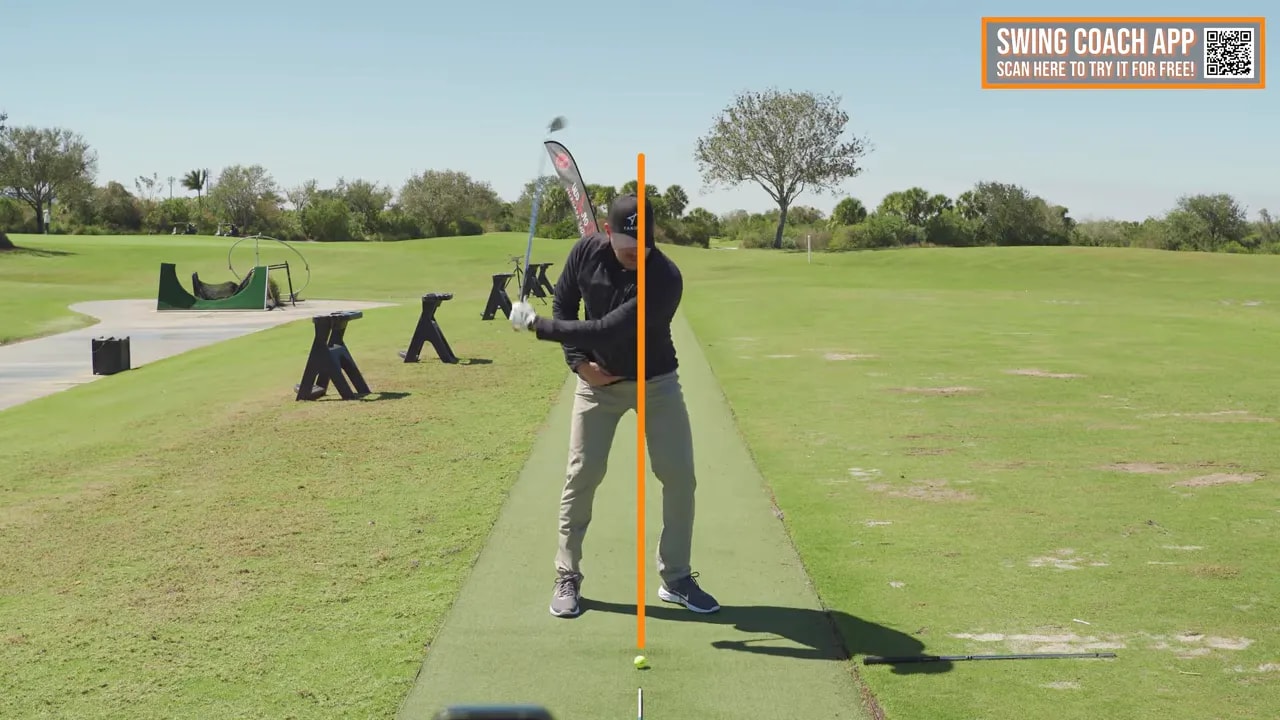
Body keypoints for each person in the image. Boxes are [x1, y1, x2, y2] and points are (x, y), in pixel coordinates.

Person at [509, 193, 720, 619]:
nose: (633, 258)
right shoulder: (586, 252)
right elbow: (565, 304)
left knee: (679, 475)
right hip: (596, 385)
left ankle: (676, 578)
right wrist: (577, 362)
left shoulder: (665, 278)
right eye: (626, 250)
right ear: (608, 233)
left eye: (641, 251)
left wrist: (535, 325)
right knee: (582, 475)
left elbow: (608, 330)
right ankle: (567, 575)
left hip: (655, 381)